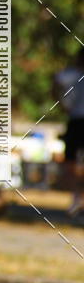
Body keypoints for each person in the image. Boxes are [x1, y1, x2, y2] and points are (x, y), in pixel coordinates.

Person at [55, 47, 84, 216]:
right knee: (71, 163)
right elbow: (56, 83)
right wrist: (62, 104)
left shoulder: (70, 74)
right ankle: (75, 200)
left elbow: (55, 83)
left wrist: (61, 103)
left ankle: (77, 200)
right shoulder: (72, 74)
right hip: (75, 120)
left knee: (72, 164)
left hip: (75, 121)